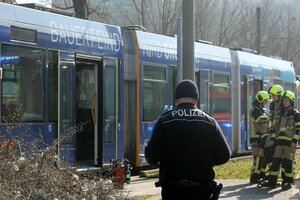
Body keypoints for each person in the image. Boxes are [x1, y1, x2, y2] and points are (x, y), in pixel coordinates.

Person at [145, 79, 231, 200]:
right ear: (196, 99)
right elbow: (224, 156)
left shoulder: (165, 120)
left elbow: (151, 154)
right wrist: (205, 162)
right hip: (201, 190)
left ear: (176, 99)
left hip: (173, 190)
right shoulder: (210, 122)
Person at [259, 90, 300, 190]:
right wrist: (273, 139)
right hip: (278, 142)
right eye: (284, 100)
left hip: (289, 143)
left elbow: (298, 129)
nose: (285, 102)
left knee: (288, 164)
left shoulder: (296, 114)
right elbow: (275, 128)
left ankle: (288, 182)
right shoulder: (280, 113)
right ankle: (272, 182)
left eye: (287, 100)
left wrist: (294, 142)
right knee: (275, 163)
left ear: (291, 102)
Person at [260, 85, 284, 178]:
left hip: (280, 133)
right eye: (272, 95)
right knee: (267, 151)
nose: (272, 97)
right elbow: (271, 117)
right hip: (272, 132)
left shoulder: (284, 105)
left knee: (279, 155)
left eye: (274, 95)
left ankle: (275, 175)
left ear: (279, 95)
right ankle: (271, 171)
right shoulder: (272, 105)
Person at [249, 91, 270, 184]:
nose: (265, 103)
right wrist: (269, 117)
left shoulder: (262, 109)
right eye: (265, 101)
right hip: (256, 138)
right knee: (257, 158)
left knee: (262, 158)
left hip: (263, 137)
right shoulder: (254, 110)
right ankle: (254, 177)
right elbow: (259, 120)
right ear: (260, 100)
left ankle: (261, 175)